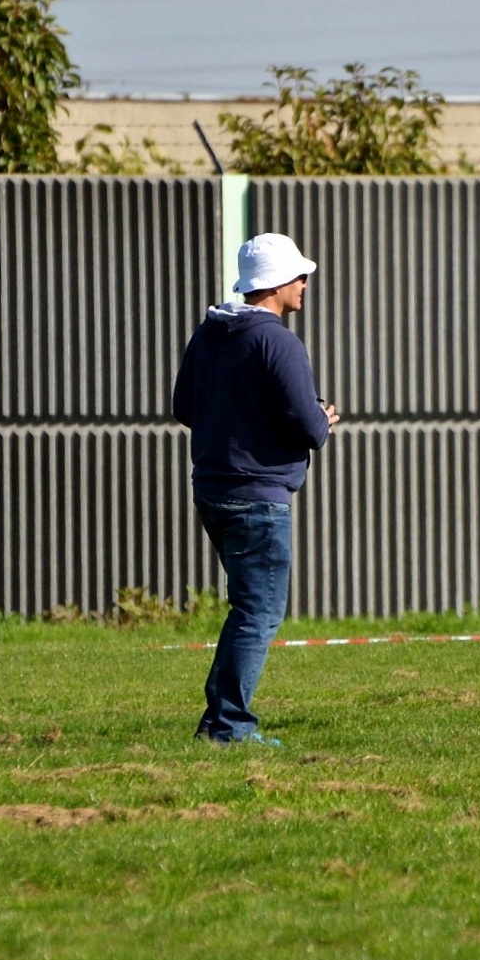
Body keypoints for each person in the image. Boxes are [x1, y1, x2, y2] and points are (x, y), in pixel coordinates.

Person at [172, 232, 339, 744]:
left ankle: (219, 723)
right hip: (259, 500)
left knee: (247, 607)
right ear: (277, 283)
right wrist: (325, 418)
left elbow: (183, 407)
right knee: (257, 612)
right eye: (299, 275)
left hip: (213, 490)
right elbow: (309, 427)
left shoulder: (211, 332)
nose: (306, 282)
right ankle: (227, 727)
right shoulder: (278, 341)